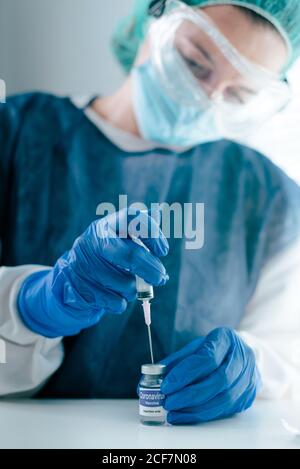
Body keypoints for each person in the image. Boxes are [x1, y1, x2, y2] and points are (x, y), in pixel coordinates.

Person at [0, 0, 300, 425]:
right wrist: (35, 305)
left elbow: (288, 358)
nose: (207, 99)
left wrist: (247, 368)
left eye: (240, 94)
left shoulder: (271, 197)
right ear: (153, 20)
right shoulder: (14, 134)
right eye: (196, 64)